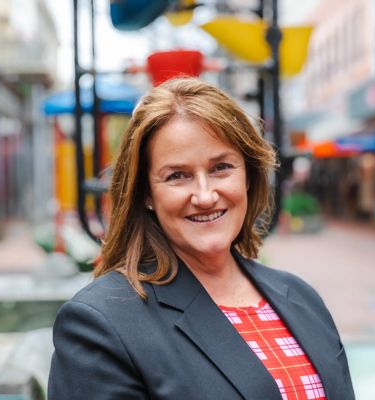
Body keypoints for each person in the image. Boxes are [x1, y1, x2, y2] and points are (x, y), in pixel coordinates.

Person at [48, 78, 355, 400]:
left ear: (248, 176)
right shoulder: (102, 322)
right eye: (177, 176)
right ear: (145, 194)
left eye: (221, 168)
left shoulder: (300, 297)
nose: (206, 196)